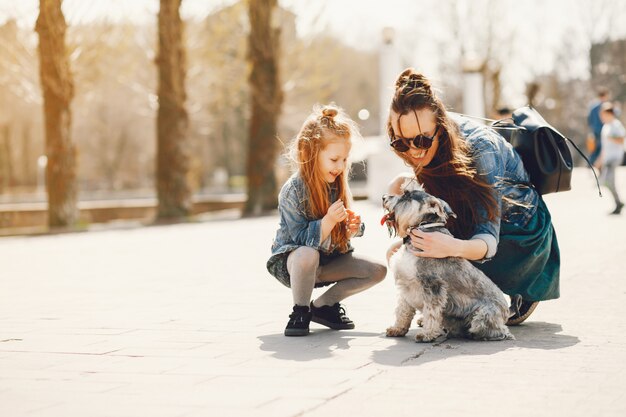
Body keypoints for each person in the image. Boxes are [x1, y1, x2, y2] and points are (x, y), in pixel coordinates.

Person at [385, 68, 560, 326]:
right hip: (467, 212)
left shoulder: (480, 150)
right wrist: (398, 190)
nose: (412, 151)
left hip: (517, 228)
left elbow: (488, 237)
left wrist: (451, 247)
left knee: (445, 249)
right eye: (401, 143)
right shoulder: (422, 135)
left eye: (421, 141)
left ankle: (520, 285)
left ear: (441, 127)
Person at [267, 104, 387, 336]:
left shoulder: (336, 185)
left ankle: (324, 307)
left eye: (344, 160)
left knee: (377, 270)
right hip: (296, 265)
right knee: (307, 254)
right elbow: (299, 240)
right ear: (310, 153)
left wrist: (353, 228)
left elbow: (341, 237)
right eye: (334, 160)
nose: (341, 167)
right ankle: (300, 310)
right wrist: (327, 223)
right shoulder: (293, 190)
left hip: (327, 262)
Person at [597, 102, 625, 215]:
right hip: (607, 158)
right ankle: (618, 202)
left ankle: (618, 203)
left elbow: (622, 140)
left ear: (610, 114)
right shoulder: (605, 127)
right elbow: (605, 147)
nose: (601, 117)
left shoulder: (616, 124)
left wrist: (611, 137)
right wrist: (600, 160)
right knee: (605, 181)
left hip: (615, 157)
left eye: (603, 114)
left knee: (608, 181)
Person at [587, 87, 610, 166]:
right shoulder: (605, 106)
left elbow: (589, 119)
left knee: (596, 147)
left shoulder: (593, 106)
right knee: (601, 147)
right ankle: (596, 164)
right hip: (602, 129)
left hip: (595, 129)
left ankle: (591, 163)